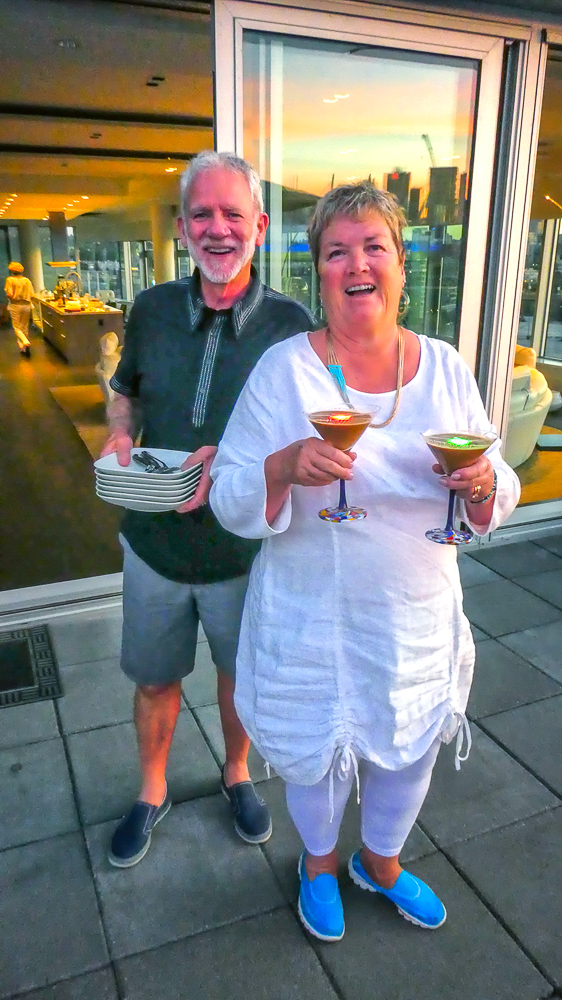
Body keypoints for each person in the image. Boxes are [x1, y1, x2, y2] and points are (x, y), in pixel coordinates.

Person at [210, 182, 520, 941]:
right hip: (312, 617)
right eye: (336, 252)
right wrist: (282, 466)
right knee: (318, 755)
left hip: (415, 617)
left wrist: (481, 483)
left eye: (374, 247)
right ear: (318, 272)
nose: (357, 264)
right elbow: (228, 494)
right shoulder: (284, 372)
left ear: (401, 266)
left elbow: (496, 485)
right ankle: (319, 863)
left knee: (409, 750)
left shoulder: (444, 367)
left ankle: (380, 862)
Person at [101, 151, 316, 868]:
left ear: (260, 225)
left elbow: (306, 433)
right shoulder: (151, 309)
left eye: (232, 214)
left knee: (238, 675)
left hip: (242, 547)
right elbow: (126, 389)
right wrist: (121, 432)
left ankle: (237, 773)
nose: (217, 228)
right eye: (201, 214)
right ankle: (152, 790)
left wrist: (234, 460)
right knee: (154, 677)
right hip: (155, 539)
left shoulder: (292, 324)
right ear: (183, 227)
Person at [4, 261, 34, 357]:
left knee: (17, 327)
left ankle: (25, 341)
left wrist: (9, 296)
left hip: (15, 305)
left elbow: (10, 294)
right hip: (27, 305)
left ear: (11, 270)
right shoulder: (27, 280)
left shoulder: (10, 280)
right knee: (24, 326)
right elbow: (32, 294)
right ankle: (23, 348)